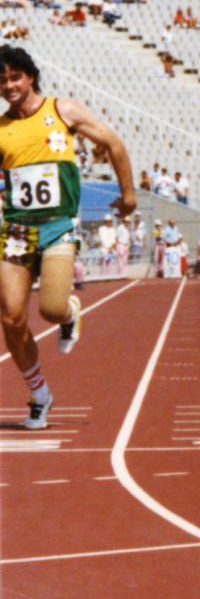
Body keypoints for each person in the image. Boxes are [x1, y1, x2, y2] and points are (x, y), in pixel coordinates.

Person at [0, 46, 135, 429]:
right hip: (15, 231)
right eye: (2, 81)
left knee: (51, 309)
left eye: (15, 77)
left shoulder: (63, 111)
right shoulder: (1, 129)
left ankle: (70, 314)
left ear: (30, 77)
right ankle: (39, 395)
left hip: (58, 225)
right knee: (11, 319)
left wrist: (127, 196)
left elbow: (114, 145)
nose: (9, 86)